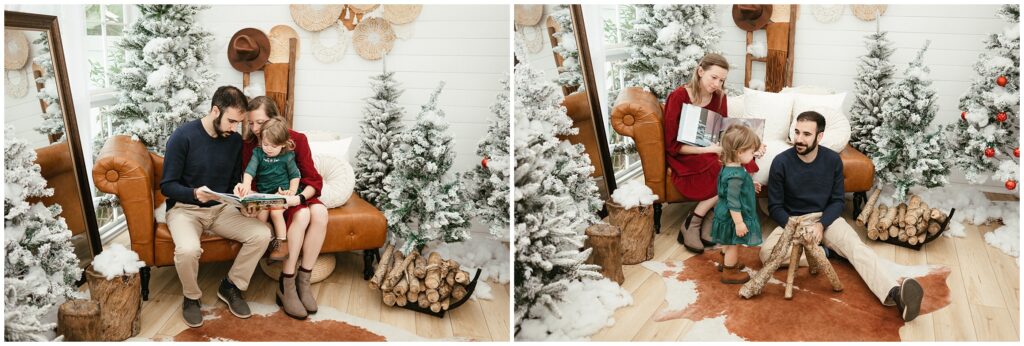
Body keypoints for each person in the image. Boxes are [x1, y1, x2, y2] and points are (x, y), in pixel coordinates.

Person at [763, 111, 924, 322]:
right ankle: (827, 253)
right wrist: (796, 228)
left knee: (856, 248)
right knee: (766, 254)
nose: (799, 139)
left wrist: (821, 225)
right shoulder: (781, 162)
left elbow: (838, 201)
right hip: (794, 221)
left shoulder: (832, 161)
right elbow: (775, 206)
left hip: (825, 219)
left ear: (819, 136)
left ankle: (895, 293)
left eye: (806, 134)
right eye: (796, 132)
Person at [161, 85, 272, 328]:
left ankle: (231, 286)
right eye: (231, 121)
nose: (235, 128)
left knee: (262, 234)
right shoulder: (183, 137)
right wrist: (193, 193)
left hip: (221, 208)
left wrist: (242, 198)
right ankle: (191, 297)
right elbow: (167, 186)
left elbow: (233, 181)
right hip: (184, 209)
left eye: (238, 123)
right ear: (215, 111)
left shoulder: (232, 141)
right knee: (188, 250)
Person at [235, 96, 329, 320]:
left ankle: (302, 282)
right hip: (268, 200)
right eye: (251, 123)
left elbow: (313, 180)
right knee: (305, 215)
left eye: (260, 122)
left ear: (275, 118)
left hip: (294, 195)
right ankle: (287, 283)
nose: (255, 129)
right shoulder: (250, 145)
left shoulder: (296, 140)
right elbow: (249, 180)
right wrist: (246, 194)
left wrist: (296, 198)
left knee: (320, 212)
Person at [662, 53, 765, 253]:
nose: (717, 84)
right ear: (701, 71)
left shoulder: (719, 97)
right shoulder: (679, 97)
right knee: (720, 167)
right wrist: (708, 149)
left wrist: (753, 145)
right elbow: (671, 145)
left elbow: (723, 132)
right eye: (714, 77)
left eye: (722, 80)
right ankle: (693, 221)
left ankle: (707, 215)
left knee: (746, 162)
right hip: (685, 154)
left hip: (712, 148)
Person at [237, 117, 301, 261]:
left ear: (283, 144)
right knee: (261, 216)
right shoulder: (258, 153)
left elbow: (295, 176)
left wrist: (292, 191)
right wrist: (246, 185)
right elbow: (249, 171)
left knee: (276, 213)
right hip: (264, 195)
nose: (268, 149)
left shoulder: (287, 156)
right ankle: (266, 242)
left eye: (273, 146)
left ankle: (282, 244)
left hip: (281, 194)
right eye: (265, 144)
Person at [710, 125, 763, 284]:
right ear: (739, 152)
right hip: (733, 215)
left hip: (723, 212)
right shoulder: (736, 176)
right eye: (751, 152)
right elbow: (733, 201)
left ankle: (726, 261)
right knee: (734, 243)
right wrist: (739, 223)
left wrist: (750, 185)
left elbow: (729, 190)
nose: (753, 155)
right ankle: (729, 271)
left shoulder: (730, 168)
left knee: (727, 240)